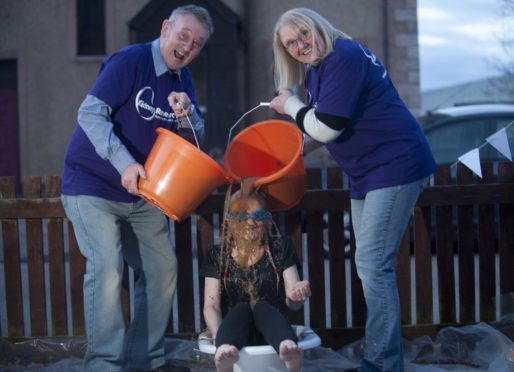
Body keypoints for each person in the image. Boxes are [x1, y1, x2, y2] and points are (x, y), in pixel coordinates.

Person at [269, 8, 437, 372]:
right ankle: (381, 357)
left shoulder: (342, 56)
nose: (299, 46)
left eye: (303, 35)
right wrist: (293, 149)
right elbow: (326, 129)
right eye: (290, 43)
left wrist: (289, 106)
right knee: (373, 266)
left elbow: (327, 126)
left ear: (318, 27)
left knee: (372, 265)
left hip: (394, 165)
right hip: (368, 173)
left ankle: (382, 364)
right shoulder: (320, 70)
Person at [60, 5, 213, 371]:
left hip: (142, 194)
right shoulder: (130, 61)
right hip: (91, 184)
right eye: (183, 36)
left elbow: (195, 141)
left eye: (197, 44)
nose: (188, 47)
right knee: (108, 265)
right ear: (165, 29)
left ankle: (143, 361)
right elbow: (90, 114)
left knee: (162, 267)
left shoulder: (183, 82)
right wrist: (123, 161)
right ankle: (104, 364)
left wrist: (188, 114)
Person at [201, 188, 311, 372]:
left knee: (261, 307)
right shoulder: (217, 254)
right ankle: (225, 357)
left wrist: (296, 296)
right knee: (242, 309)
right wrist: (216, 332)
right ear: (230, 219)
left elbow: (293, 303)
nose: (250, 222)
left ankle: (289, 353)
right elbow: (211, 305)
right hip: (233, 336)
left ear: (266, 219)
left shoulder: (280, 246)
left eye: (257, 216)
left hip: (273, 334)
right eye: (242, 216)